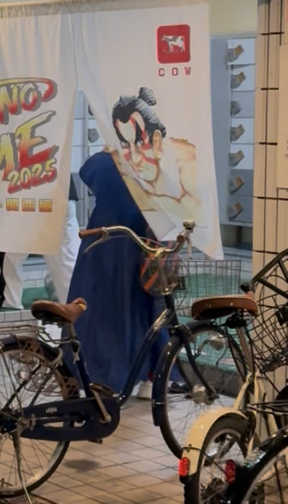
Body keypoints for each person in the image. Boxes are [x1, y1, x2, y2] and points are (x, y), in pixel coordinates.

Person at [67, 151, 167, 397]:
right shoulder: (152, 161)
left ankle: (101, 376)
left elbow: (86, 172)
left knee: (98, 311)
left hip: (101, 239)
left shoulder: (103, 161)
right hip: (142, 238)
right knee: (145, 309)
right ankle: (149, 377)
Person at [110, 86, 200, 224]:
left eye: (140, 143)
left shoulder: (185, 180)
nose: (134, 158)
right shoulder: (129, 187)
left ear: (157, 141)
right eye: (125, 145)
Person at [0, 176, 80, 309]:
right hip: (62, 195)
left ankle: (10, 301)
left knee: (12, 253)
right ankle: (74, 306)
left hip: (28, 195)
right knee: (67, 260)